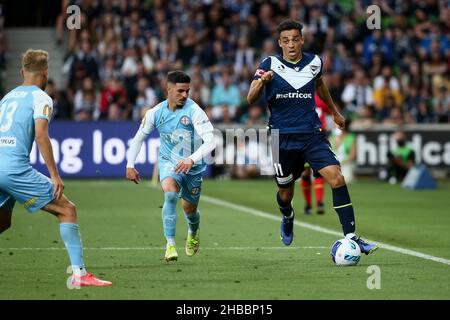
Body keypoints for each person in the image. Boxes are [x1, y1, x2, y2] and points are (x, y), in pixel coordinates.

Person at [247, 19, 378, 255]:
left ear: (302, 40)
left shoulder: (315, 62)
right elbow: (250, 97)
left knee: (336, 178)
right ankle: (287, 215)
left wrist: (335, 112)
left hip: (311, 134)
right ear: (280, 43)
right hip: (281, 138)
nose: (291, 44)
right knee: (285, 194)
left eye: (295, 39)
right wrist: (262, 81)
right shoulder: (269, 64)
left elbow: (320, 85)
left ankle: (351, 237)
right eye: (286, 41)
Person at [0, 49, 111, 287]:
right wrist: (54, 175)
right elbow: (41, 135)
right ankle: (80, 275)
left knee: (3, 222)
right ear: (45, 73)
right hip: (13, 169)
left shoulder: (7, 97)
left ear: (22, 72)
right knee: (67, 209)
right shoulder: (41, 97)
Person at [126, 70, 215, 262]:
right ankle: (170, 245)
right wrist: (130, 164)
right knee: (170, 193)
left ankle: (193, 231)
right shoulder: (155, 113)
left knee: (190, 210)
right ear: (168, 89)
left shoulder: (194, 111)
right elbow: (138, 138)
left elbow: (211, 141)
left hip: (193, 167)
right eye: (180, 91)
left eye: (187, 91)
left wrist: (191, 159)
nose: (184, 95)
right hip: (169, 163)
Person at [299, 93, 331, 215]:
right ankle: (315, 202)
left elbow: (331, 111)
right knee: (313, 171)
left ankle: (313, 203)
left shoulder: (305, 95)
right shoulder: (318, 97)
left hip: (312, 135)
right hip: (312, 135)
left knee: (310, 171)